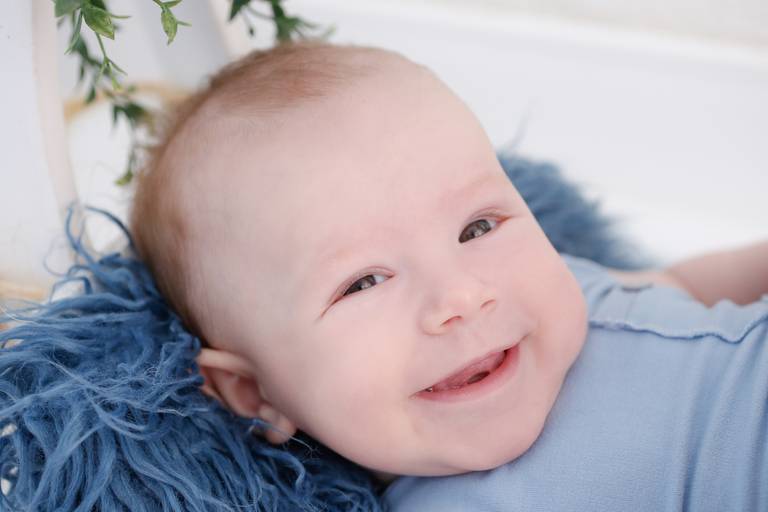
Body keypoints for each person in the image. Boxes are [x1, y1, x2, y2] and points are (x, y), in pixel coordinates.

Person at [129, 39, 768, 507]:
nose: (461, 295)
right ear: (254, 394)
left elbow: (685, 289)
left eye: (478, 227)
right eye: (364, 282)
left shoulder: (556, 291)